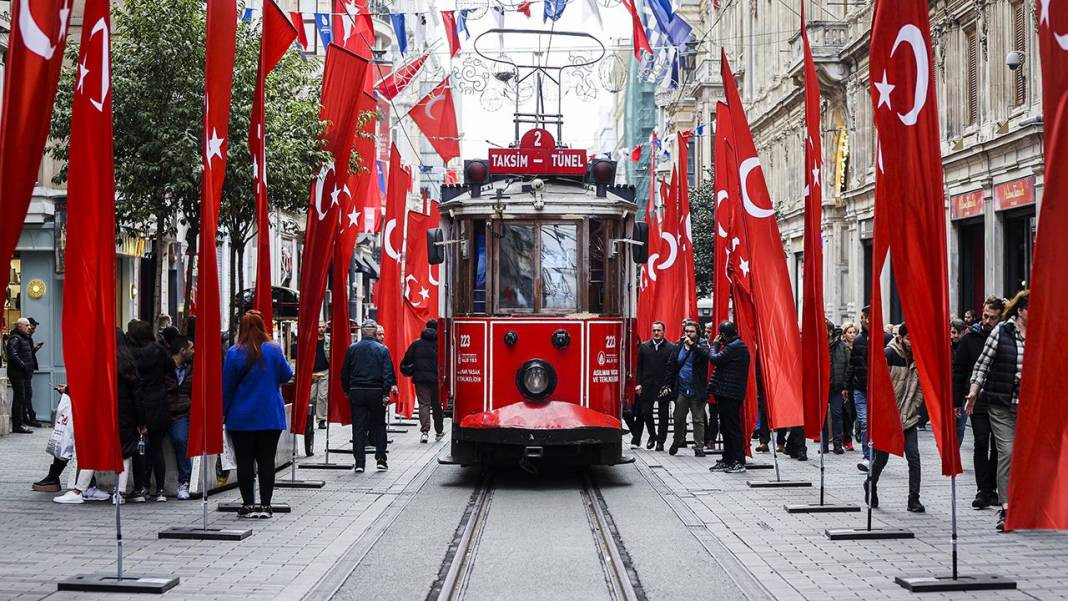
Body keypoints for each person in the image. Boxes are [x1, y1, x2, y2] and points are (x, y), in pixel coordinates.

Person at [53, 331, 143, 504]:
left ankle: (79, 490)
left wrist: (69, 390)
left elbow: (88, 388)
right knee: (124, 454)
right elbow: (137, 396)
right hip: (126, 415)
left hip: (103, 414)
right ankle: (120, 493)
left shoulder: (102, 362)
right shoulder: (129, 363)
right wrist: (141, 420)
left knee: (93, 450)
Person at [966, 290, 1027, 532]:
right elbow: (982, 364)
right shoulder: (1002, 331)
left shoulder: (1042, 331)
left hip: (1029, 407)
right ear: (1021, 311)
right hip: (1001, 404)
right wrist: (972, 392)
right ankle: (1006, 509)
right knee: (1008, 452)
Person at [222, 310, 293, 519]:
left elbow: (227, 387)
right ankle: (266, 505)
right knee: (266, 461)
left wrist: (223, 414)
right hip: (270, 416)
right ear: (263, 326)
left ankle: (248, 504)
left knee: (244, 461)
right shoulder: (274, 349)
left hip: (241, 416)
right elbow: (287, 374)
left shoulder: (234, 352)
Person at [864, 323, 925, 513]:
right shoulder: (889, 354)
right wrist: (883, 412)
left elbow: (920, 388)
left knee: (914, 457)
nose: (913, 344)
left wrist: (913, 407)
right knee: (882, 459)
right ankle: (870, 484)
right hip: (888, 417)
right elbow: (877, 384)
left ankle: (913, 499)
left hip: (908, 416)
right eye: (909, 339)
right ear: (900, 338)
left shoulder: (918, 357)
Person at [953, 295, 1004, 510]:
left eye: (992, 317)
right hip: (976, 398)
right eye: (985, 315)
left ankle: (992, 488)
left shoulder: (1004, 337)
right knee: (981, 442)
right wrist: (956, 401)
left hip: (999, 398)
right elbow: (959, 370)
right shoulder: (969, 338)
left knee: (999, 446)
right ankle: (982, 490)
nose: (987, 321)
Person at [341, 320, 397, 472]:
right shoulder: (382, 350)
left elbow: (345, 372)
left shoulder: (352, 349)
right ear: (374, 332)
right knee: (379, 425)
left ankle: (359, 463)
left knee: (358, 427)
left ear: (362, 331)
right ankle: (380, 458)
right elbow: (387, 373)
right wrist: (386, 393)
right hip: (376, 391)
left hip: (357, 391)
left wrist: (347, 390)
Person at [127, 319, 174, 502]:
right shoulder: (159, 350)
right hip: (159, 402)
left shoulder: (132, 354)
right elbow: (170, 368)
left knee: (139, 449)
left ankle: (141, 487)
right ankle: (160, 490)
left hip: (139, 404)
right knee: (157, 449)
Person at [843, 306, 890, 472]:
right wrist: (846, 386)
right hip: (860, 388)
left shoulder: (886, 338)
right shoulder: (858, 340)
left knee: (877, 424)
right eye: (863, 317)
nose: (864, 320)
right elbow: (852, 364)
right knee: (864, 422)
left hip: (879, 391)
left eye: (867, 317)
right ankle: (867, 456)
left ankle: (878, 455)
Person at [707, 321, 750, 473]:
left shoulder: (734, 346)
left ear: (723, 334)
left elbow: (714, 359)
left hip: (730, 394)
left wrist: (714, 345)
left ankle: (738, 460)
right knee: (726, 428)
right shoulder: (736, 346)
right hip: (726, 392)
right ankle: (728, 458)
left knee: (732, 428)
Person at [669, 321, 710, 457]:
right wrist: (667, 385)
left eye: (691, 331)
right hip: (681, 388)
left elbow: (706, 356)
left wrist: (692, 346)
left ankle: (699, 447)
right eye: (686, 331)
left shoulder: (702, 344)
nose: (688, 334)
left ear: (697, 332)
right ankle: (677, 441)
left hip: (697, 389)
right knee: (678, 418)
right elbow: (672, 365)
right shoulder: (678, 345)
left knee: (698, 419)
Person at [633, 321, 675, 451]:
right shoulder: (644, 347)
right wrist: (638, 383)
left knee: (663, 415)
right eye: (654, 330)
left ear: (664, 331)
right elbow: (639, 367)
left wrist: (669, 385)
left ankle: (661, 442)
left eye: (659, 330)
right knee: (646, 412)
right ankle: (652, 435)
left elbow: (672, 368)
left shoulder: (671, 348)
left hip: (663, 386)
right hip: (647, 385)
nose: (656, 333)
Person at [401, 320, 444, 443]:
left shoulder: (416, 344)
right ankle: (439, 431)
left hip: (421, 380)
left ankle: (425, 432)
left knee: (424, 404)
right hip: (437, 380)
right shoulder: (440, 343)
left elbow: (406, 361)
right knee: (437, 405)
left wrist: (413, 369)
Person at [167, 336, 194, 500]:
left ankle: (184, 481)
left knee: (180, 439)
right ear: (182, 351)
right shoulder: (164, 367)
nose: (193, 351)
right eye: (191, 348)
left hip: (181, 412)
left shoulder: (192, 367)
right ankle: (145, 486)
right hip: (163, 410)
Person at [824, 320, 850, 454]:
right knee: (822, 417)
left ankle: (837, 444)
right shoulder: (818, 345)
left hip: (837, 386)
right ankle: (823, 445)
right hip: (822, 387)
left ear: (829, 331)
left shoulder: (842, 346)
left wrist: (845, 385)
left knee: (837, 414)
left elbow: (848, 366)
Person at [5, 318, 35, 433]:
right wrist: (23, 365)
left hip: (22, 373)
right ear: (19, 326)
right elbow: (12, 355)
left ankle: (19, 423)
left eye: (29, 325)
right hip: (17, 373)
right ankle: (17, 425)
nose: (29, 327)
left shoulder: (23, 338)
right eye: (27, 325)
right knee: (19, 398)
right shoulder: (16, 338)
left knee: (21, 398)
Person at [949, 318, 968, 447]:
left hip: (962, 392)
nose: (955, 336)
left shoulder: (967, 346)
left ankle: (955, 452)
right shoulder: (946, 348)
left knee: (960, 427)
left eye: (958, 333)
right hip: (948, 392)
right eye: (953, 332)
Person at [840, 321, 858, 451]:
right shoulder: (842, 347)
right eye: (849, 332)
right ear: (844, 334)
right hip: (846, 384)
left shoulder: (858, 346)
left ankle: (849, 435)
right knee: (847, 413)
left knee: (854, 413)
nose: (852, 335)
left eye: (854, 332)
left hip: (857, 383)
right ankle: (846, 438)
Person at [702, 321, 720, 452]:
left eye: (709, 330)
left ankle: (711, 439)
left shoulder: (718, 346)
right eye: (706, 330)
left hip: (715, 384)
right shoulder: (702, 344)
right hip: (702, 383)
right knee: (700, 413)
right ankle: (705, 436)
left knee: (714, 414)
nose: (707, 333)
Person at [311, 323, 331, 430]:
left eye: (323, 327)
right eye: (319, 327)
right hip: (312, 372)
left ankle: (321, 420)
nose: (321, 329)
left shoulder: (329, 341)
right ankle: (309, 418)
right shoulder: (311, 340)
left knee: (322, 396)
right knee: (311, 396)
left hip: (325, 371)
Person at [24, 317, 43, 427]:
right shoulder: (24, 338)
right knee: (26, 394)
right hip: (25, 370)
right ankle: (30, 418)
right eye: (33, 327)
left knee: (26, 394)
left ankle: (28, 417)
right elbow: (26, 355)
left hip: (27, 369)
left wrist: (35, 348)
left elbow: (28, 354)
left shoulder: (27, 338)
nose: (34, 329)